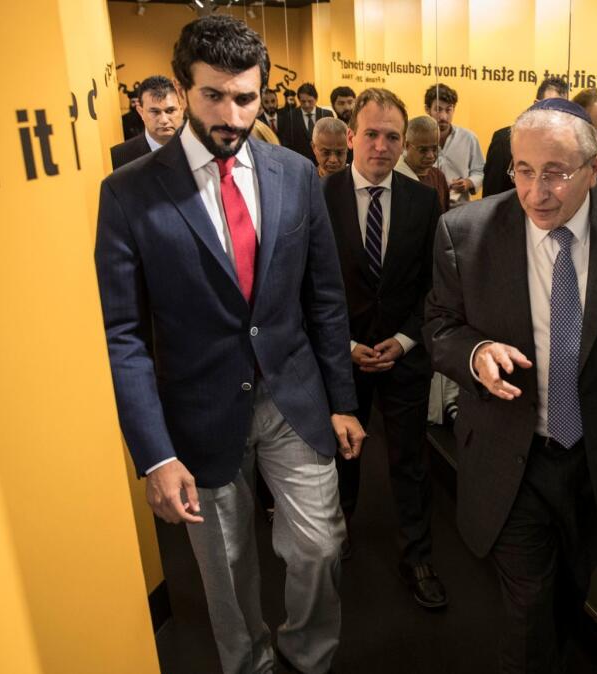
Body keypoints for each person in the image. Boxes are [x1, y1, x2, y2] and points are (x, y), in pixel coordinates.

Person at [93, 16, 365, 674]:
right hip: (199, 413)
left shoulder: (295, 174)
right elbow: (124, 335)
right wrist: (155, 454)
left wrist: (344, 400)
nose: (232, 113)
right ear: (184, 90)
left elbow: (325, 297)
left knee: (321, 545)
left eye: (246, 97)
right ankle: (251, 666)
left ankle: (309, 655)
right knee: (228, 572)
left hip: (292, 396)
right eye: (214, 95)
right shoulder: (128, 192)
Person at [424, 97, 597, 672]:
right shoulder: (464, 231)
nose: (535, 192)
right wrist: (476, 352)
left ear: (595, 169)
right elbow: (438, 327)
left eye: (555, 173)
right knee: (525, 612)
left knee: (570, 593)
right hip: (512, 457)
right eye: (522, 170)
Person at [322, 88, 447, 610]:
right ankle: (337, 534)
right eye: (370, 134)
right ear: (350, 136)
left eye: (391, 137)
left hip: (403, 355)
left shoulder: (422, 200)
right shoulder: (319, 197)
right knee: (341, 456)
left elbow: (434, 287)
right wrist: (346, 346)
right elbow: (309, 289)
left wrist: (402, 340)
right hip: (341, 357)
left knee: (409, 460)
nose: (381, 146)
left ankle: (416, 554)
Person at [481, 76, 569, 197]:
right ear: (536, 104)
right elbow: (490, 197)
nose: (556, 114)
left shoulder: (566, 145)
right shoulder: (504, 141)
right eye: (551, 106)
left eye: (562, 109)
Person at [424, 84, 484, 207]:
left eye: (448, 110)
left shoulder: (469, 138)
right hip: (425, 207)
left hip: (459, 208)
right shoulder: (416, 139)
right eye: (438, 109)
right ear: (427, 109)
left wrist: (468, 182)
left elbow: (480, 171)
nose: (443, 117)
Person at [110, 75, 184, 170]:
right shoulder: (118, 157)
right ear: (141, 112)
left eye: (170, 111)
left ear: (182, 110)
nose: (164, 120)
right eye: (155, 112)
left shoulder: (202, 149)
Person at [394, 115, 451, 213]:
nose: (430, 156)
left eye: (434, 148)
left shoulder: (439, 176)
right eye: (423, 150)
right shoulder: (396, 177)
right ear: (406, 145)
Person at [280, 82, 332, 164]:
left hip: (322, 161)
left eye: (310, 101)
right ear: (299, 100)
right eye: (303, 101)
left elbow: (331, 140)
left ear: (316, 99)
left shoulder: (326, 114)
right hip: (299, 162)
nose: (307, 105)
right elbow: (286, 142)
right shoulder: (291, 116)